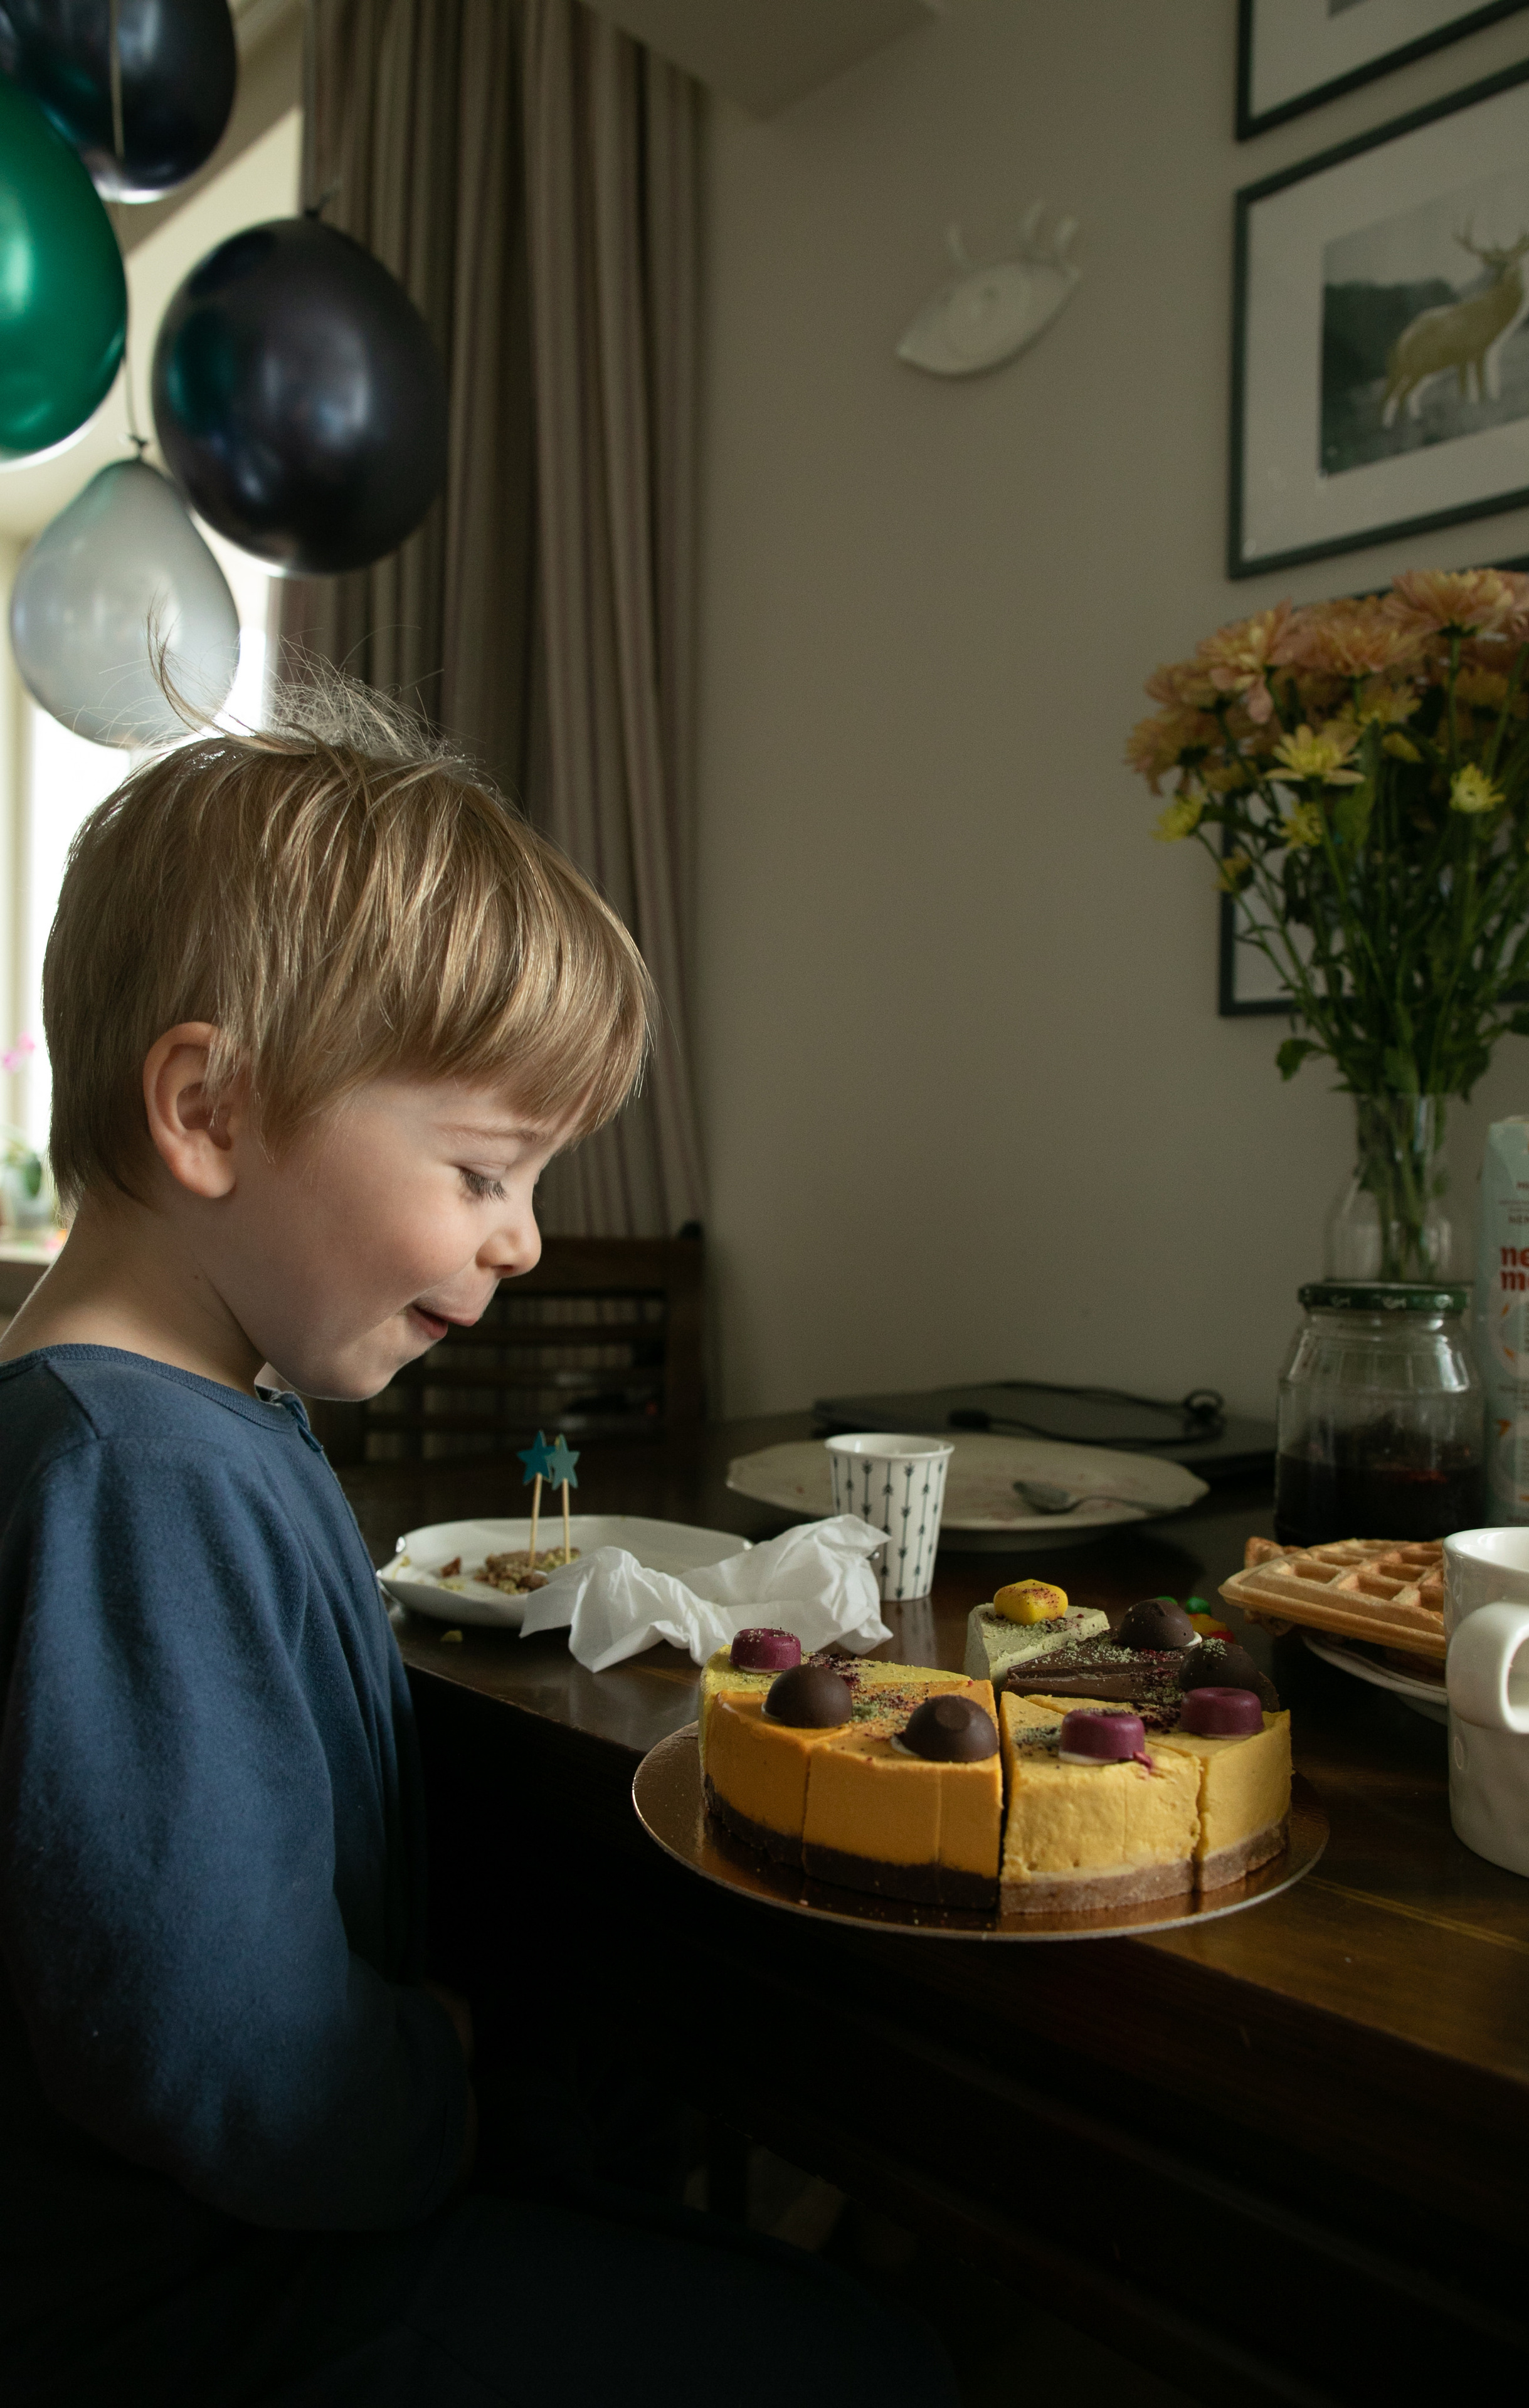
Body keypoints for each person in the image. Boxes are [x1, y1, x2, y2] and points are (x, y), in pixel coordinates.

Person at [0, 688, 957, 2407]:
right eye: (483, 1170)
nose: (522, 1242)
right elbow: (232, 2063)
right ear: (207, 1111)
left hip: (260, 2243)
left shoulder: (190, 1421)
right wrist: (435, 2076)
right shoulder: (134, 1478)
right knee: (863, 2375)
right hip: (205, 2318)